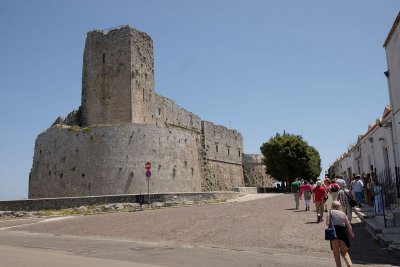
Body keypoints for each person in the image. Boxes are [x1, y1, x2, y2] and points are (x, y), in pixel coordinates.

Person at [326, 201, 354, 267]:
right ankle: (349, 264)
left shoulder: (330, 212)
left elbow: (327, 223)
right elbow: (348, 225)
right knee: (344, 252)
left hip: (334, 234)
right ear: (339, 207)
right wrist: (351, 233)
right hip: (343, 233)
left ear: (332, 206)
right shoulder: (343, 213)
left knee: (336, 253)